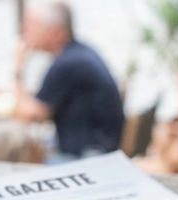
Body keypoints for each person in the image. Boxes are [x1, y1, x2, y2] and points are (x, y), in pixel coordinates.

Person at [12, 1, 124, 160]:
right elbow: (43, 100)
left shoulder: (66, 64)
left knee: (11, 152)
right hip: (101, 147)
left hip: (88, 157)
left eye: (32, 25)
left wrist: (17, 68)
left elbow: (24, 116)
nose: (24, 31)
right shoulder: (79, 53)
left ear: (54, 32)